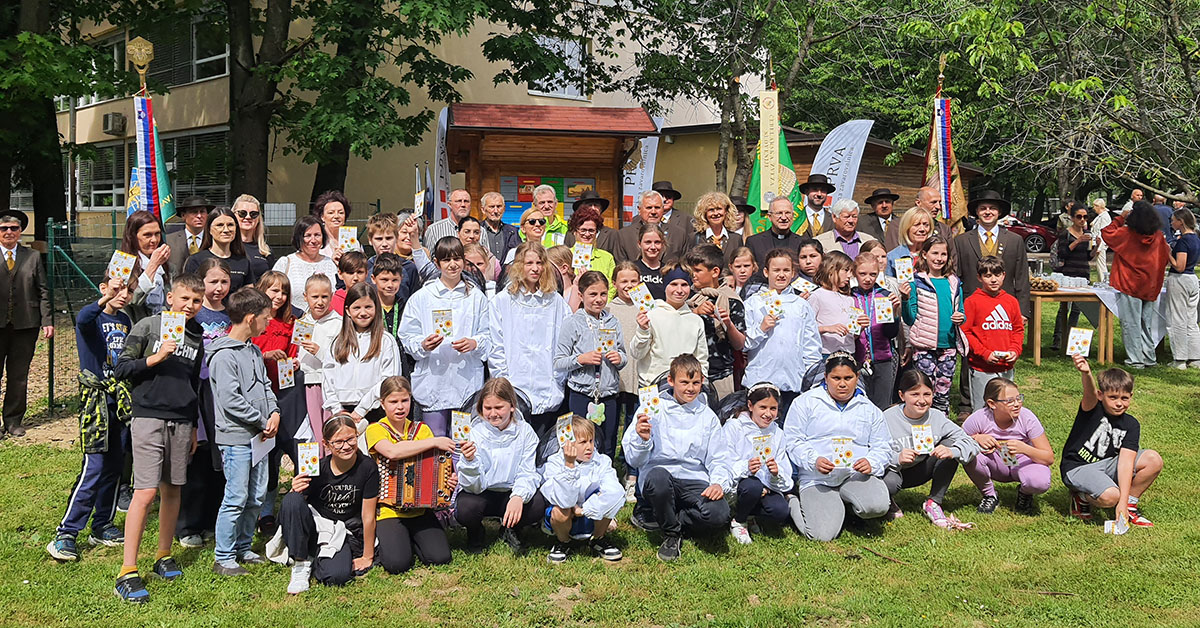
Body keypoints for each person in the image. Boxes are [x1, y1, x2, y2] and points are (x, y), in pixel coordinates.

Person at [112, 273, 206, 603]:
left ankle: (163, 554)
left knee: (172, 489)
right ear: (170, 298)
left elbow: (193, 384)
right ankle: (127, 570)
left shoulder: (197, 336)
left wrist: (194, 425)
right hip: (149, 415)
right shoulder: (149, 327)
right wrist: (155, 358)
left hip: (181, 421)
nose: (190, 306)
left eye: (196, 301)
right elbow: (121, 368)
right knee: (146, 491)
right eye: (184, 299)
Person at [46, 275, 132, 561]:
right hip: (95, 403)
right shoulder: (91, 317)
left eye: (128, 290)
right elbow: (83, 318)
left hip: (117, 400)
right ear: (103, 289)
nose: (123, 294)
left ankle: (103, 523)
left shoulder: (126, 322)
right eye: (117, 289)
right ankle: (67, 532)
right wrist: (105, 300)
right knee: (93, 466)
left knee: (115, 464)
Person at [622, 354, 730, 562]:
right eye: (684, 382)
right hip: (661, 478)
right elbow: (634, 460)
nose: (690, 388)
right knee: (657, 478)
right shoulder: (651, 409)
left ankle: (667, 517)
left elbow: (719, 458)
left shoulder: (707, 416)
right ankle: (672, 534)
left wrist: (718, 483)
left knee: (719, 514)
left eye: (695, 383)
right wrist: (642, 439)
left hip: (694, 479)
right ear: (670, 381)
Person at [207, 286, 279, 576]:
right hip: (237, 438)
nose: (268, 322)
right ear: (250, 319)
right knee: (236, 496)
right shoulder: (224, 356)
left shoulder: (253, 350)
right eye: (265, 317)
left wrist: (273, 412)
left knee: (256, 495)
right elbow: (230, 399)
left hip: (259, 438)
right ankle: (223, 556)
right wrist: (261, 421)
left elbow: (265, 386)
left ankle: (243, 546)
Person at [783, 352, 892, 542]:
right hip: (817, 478)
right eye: (836, 378)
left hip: (854, 476)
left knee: (877, 505)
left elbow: (883, 446)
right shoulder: (805, 403)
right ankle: (792, 500)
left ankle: (845, 504)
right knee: (821, 535)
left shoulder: (869, 408)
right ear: (826, 378)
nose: (842, 384)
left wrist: (871, 463)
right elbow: (793, 441)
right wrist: (814, 460)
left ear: (857, 378)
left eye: (848, 378)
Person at [275, 414, 378, 594]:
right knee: (291, 499)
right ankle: (301, 562)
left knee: (336, 577)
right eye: (338, 442)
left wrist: (367, 556)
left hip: (340, 531)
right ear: (326, 444)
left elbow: (368, 515)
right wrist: (295, 490)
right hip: (315, 526)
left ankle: (314, 556)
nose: (346, 446)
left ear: (357, 436)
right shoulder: (316, 468)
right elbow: (294, 510)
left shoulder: (367, 467)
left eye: (350, 439)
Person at [399, 237, 489, 437]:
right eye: (446, 260)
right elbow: (406, 335)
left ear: (464, 262)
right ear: (437, 263)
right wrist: (423, 345)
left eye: (457, 259)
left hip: (465, 381)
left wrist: (475, 343)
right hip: (434, 380)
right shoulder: (423, 297)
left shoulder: (476, 297)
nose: (452, 264)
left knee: (462, 440)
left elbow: (489, 334)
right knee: (435, 438)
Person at [364, 376, 454, 573]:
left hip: (420, 509)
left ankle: (410, 538)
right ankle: (397, 540)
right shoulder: (375, 429)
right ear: (382, 403)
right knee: (397, 565)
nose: (399, 407)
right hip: (389, 510)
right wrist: (434, 441)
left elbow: (435, 468)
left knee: (440, 558)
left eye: (404, 400)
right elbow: (392, 452)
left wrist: (447, 481)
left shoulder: (421, 429)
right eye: (393, 402)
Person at [953, 189, 1031, 415]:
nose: (987, 212)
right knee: (972, 353)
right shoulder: (962, 241)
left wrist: (1023, 309)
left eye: (992, 208)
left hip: (1004, 306)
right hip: (973, 305)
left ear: (999, 213)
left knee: (1002, 351)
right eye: (983, 208)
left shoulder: (1014, 240)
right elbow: (956, 277)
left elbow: (1022, 276)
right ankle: (967, 403)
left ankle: (1003, 398)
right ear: (976, 213)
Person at [1063, 355, 1163, 527]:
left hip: (1107, 464)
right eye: (1113, 397)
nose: (1119, 403)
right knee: (1111, 496)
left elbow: (1125, 463)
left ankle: (1129, 506)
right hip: (1078, 467)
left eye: (1124, 398)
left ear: (1131, 396)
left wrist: (1123, 502)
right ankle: (1081, 497)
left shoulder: (1131, 424)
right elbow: (1089, 392)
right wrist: (1086, 373)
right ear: (1101, 395)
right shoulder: (1092, 409)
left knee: (1153, 459)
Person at [175, 259, 233, 548]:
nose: (219, 288)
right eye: (213, 282)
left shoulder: (233, 315)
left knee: (219, 460)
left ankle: (212, 518)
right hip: (197, 391)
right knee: (196, 456)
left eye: (224, 282)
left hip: (223, 394)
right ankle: (188, 525)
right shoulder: (192, 316)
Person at [489, 242, 571, 445]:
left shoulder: (555, 302)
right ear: (519, 265)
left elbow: (565, 342)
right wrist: (504, 381)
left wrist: (558, 377)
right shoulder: (502, 301)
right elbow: (495, 345)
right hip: (515, 383)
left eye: (539, 263)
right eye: (529, 263)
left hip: (547, 384)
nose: (535, 268)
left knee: (544, 447)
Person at [455, 378, 547, 554]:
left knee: (537, 504)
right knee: (465, 507)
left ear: (512, 406)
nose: (493, 414)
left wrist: (519, 496)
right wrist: (469, 461)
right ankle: (475, 531)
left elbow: (528, 471)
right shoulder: (473, 432)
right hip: (483, 492)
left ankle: (512, 528)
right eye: (488, 408)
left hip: (511, 491)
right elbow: (472, 486)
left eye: (499, 408)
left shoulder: (525, 432)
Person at [882, 370, 980, 528]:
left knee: (950, 445)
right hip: (892, 472)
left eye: (927, 394)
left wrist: (952, 451)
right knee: (890, 482)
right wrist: (896, 457)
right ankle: (887, 500)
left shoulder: (936, 417)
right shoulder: (887, 418)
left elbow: (970, 443)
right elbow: (872, 452)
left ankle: (933, 502)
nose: (922, 400)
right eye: (914, 394)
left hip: (921, 470)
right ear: (902, 396)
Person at [251, 272, 306, 530]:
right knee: (266, 456)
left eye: (283, 292)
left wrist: (295, 361)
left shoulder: (293, 322)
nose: (279, 297)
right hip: (259, 397)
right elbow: (242, 351)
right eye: (273, 291)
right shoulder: (251, 321)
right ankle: (264, 511)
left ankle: (299, 505)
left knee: (293, 447)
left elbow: (297, 352)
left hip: (286, 395)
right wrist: (265, 356)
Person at [555, 271, 627, 460]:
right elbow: (559, 361)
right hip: (582, 394)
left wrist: (619, 359)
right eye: (592, 294)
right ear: (581, 295)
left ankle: (605, 484)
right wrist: (581, 359)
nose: (598, 299)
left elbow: (624, 356)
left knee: (608, 444)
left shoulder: (612, 321)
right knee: (580, 444)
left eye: (603, 294)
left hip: (608, 395)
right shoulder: (572, 323)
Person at [742, 248, 822, 417]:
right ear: (766, 272)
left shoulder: (801, 305)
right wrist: (761, 329)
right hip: (761, 379)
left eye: (786, 270)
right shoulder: (753, 303)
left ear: (793, 273)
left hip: (793, 381)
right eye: (776, 270)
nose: (781, 275)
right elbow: (744, 343)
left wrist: (809, 377)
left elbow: (811, 345)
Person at [714, 383, 792, 544]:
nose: (768, 414)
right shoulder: (734, 427)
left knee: (780, 510)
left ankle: (750, 515)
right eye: (762, 407)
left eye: (773, 408)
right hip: (741, 485)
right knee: (752, 487)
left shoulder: (777, 433)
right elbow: (724, 461)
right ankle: (739, 520)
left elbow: (785, 469)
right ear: (750, 405)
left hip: (765, 487)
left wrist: (775, 473)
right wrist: (746, 468)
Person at [962, 378, 1054, 515]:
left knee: (1039, 481)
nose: (1017, 404)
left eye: (1019, 398)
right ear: (992, 404)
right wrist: (976, 438)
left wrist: (1025, 448)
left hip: (1023, 462)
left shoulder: (1027, 418)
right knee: (968, 452)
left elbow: (1048, 457)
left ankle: (1025, 493)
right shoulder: (980, 418)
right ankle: (990, 495)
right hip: (995, 462)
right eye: (1010, 401)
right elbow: (957, 441)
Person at [541, 415, 625, 563]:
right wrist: (569, 466)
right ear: (567, 444)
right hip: (566, 517)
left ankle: (598, 539)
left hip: (591, 516)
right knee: (560, 510)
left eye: (591, 441)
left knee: (611, 497)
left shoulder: (602, 461)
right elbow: (562, 499)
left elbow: (614, 490)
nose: (589, 447)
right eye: (583, 442)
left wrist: (585, 509)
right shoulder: (554, 463)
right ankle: (563, 542)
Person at [0, 208, 52, 437]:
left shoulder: (32, 257)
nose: (9, 232)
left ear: (20, 231)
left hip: (25, 326)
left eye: (14, 228)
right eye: (4, 229)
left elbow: (43, 290)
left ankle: (13, 421)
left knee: (18, 376)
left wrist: (47, 320)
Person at [1102, 200, 1171, 369]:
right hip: (1150, 285)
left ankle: (1135, 359)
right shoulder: (1158, 237)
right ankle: (1149, 356)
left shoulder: (1127, 234)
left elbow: (1106, 233)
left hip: (1130, 283)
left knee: (1131, 324)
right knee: (1146, 324)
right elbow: (1163, 259)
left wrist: (1120, 218)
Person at [322, 282, 401, 425]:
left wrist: (361, 410)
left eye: (368, 307)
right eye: (357, 308)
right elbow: (328, 378)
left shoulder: (386, 340)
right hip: (343, 412)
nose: (363, 313)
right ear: (347, 310)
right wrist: (337, 410)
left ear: (376, 308)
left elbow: (389, 379)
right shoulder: (338, 342)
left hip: (374, 411)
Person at [902, 235, 964, 415]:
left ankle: (941, 424)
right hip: (924, 345)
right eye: (934, 253)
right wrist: (905, 300)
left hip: (949, 345)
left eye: (943, 254)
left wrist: (961, 317)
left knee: (943, 391)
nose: (939, 258)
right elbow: (909, 318)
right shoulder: (916, 282)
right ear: (925, 254)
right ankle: (923, 422)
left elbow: (960, 308)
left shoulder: (954, 282)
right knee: (925, 388)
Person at [629, 264, 708, 387]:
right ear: (665, 286)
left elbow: (701, 358)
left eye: (684, 285)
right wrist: (643, 331)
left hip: (685, 387)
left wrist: (701, 383)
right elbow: (637, 353)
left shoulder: (695, 320)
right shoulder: (651, 314)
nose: (679, 290)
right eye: (674, 284)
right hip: (651, 385)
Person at [962, 256, 1024, 411]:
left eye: (997, 275)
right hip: (982, 367)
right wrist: (984, 353)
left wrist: (1015, 350)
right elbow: (966, 332)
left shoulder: (1011, 301)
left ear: (1004, 275)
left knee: (1006, 407)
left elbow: (1018, 329)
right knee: (982, 409)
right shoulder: (972, 302)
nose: (993, 280)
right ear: (979, 277)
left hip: (1006, 366)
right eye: (988, 276)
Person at [684, 244, 746, 398]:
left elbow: (740, 344)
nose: (694, 275)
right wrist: (694, 312)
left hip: (721, 375)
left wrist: (728, 324)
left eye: (698, 271)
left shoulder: (731, 300)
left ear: (715, 272)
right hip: (689, 375)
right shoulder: (687, 297)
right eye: (692, 271)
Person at [608, 261, 643, 499]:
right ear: (615, 284)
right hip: (614, 377)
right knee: (611, 428)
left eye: (633, 281)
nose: (629, 286)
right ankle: (608, 471)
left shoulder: (647, 307)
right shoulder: (609, 308)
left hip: (639, 377)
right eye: (624, 281)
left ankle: (631, 474)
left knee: (633, 426)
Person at [296, 273, 341, 454]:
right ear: (305, 297)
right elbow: (297, 352)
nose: (320, 302)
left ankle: (332, 464)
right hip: (307, 383)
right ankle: (318, 468)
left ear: (331, 296)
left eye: (324, 296)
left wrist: (320, 352)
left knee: (331, 427)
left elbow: (341, 357)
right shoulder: (302, 322)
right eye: (315, 297)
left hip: (329, 383)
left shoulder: (338, 323)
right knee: (313, 429)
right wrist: (295, 363)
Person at [850, 253, 899, 409]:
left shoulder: (885, 296)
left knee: (882, 406)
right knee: (858, 405)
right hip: (856, 360)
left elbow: (891, 333)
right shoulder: (849, 296)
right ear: (854, 273)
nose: (868, 279)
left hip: (883, 358)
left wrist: (895, 313)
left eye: (873, 274)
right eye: (862, 274)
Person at [1052, 204, 1098, 349]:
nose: (1082, 220)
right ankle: (1058, 340)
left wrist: (1096, 248)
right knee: (1064, 308)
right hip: (1068, 274)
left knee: (1077, 310)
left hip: (1083, 274)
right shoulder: (1066, 234)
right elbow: (1063, 253)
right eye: (1079, 217)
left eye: (1085, 217)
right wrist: (1077, 241)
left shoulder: (1088, 233)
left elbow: (1087, 257)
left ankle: (1071, 341)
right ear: (1072, 218)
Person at [273, 215, 339, 312]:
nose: (313, 240)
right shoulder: (285, 263)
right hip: (292, 322)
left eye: (317, 235)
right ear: (299, 238)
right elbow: (272, 294)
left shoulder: (331, 264)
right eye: (308, 236)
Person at [184, 207, 252, 293]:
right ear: (209, 230)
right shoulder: (196, 260)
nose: (226, 230)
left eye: (230, 225)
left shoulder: (243, 261)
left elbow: (249, 296)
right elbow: (188, 292)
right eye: (219, 225)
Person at [1165, 208, 1200, 369]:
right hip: (1192, 278)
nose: (1172, 223)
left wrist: (1167, 253)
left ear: (1181, 221)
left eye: (1173, 220)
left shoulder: (1183, 241)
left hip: (1180, 279)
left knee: (1177, 319)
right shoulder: (1196, 238)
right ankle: (1195, 358)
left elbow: (1179, 266)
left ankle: (1179, 359)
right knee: (1191, 320)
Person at [120, 211, 172, 321]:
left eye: (157, 234)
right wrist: (153, 265)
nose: (154, 240)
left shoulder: (166, 265)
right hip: (135, 328)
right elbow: (130, 300)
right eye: (147, 235)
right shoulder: (122, 264)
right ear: (133, 236)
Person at [808, 251, 862, 356]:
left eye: (851, 271)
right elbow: (806, 327)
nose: (849, 275)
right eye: (846, 270)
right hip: (826, 353)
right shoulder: (817, 296)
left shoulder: (849, 299)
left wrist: (861, 326)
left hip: (849, 352)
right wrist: (827, 328)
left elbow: (853, 334)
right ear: (831, 269)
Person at [616, 190, 687, 264]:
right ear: (639, 210)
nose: (653, 212)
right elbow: (621, 267)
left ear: (663, 209)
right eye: (649, 208)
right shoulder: (624, 235)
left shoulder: (679, 234)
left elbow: (684, 265)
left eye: (657, 207)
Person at [689, 191, 744, 265]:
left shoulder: (736, 239)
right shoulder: (695, 238)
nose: (715, 213)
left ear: (726, 211)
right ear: (704, 214)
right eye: (711, 210)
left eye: (719, 209)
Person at [746, 198, 804, 267]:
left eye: (787, 213)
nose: (783, 217)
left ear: (793, 216)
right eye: (779, 213)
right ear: (770, 217)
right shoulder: (754, 242)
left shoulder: (802, 242)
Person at [165, 196, 213, 274]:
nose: (199, 216)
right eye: (194, 212)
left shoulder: (213, 239)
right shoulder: (169, 240)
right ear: (183, 216)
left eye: (202, 212)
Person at [565, 206, 616, 280]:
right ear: (574, 231)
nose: (587, 234)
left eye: (591, 230)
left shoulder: (607, 258)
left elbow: (613, 285)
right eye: (583, 230)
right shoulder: (565, 256)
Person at [232, 194, 274, 282]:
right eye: (242, 213)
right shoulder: (226, 247)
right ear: (233, 215)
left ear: (258, 218)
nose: (248, 217)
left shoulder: (265, 251)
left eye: (253, 214)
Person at [886, 206, 935, 277]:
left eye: (926, 225)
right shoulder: (893, 256)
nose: (922, 229)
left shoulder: (936, 254)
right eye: (916, 225)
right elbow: (888, 285)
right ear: (906, 228)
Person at [478, 192, 521, 262]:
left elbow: (519, 255)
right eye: (491, 207)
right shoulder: (477, 230)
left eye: (499, 206)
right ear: (483, 210)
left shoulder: (513, 231)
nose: (496, 211)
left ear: (504, 209)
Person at [631, 223, 668, 300]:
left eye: (657, 242)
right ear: (639, 244)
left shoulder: (668, 271)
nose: (653, 247)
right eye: (648, 242)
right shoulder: (631, 270)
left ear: (662, 244)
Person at [312, 190, 352, 260]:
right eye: (331, 213)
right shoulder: (316, 240)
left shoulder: (352, 241)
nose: (336, 216)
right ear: (322, 217)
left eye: (341, 212)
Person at [330, 251, 368, 315]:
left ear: (366, 273)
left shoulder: (372, 299)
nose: (355, 278)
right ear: (340, 274)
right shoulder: (333, 302)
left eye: (360, 272)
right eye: (350, 273)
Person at [1090, 198, 1112, 282]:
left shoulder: (1105, 217)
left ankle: (1104, 281)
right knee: (1099, 264)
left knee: (1101, 263)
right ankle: (1102, 280)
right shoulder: (1100, 216)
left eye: (1095, 206)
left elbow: (1103, 232)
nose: (1093, 208)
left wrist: (1099, 247)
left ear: (1099, 206)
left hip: (1101, 243)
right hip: (1096, 242)